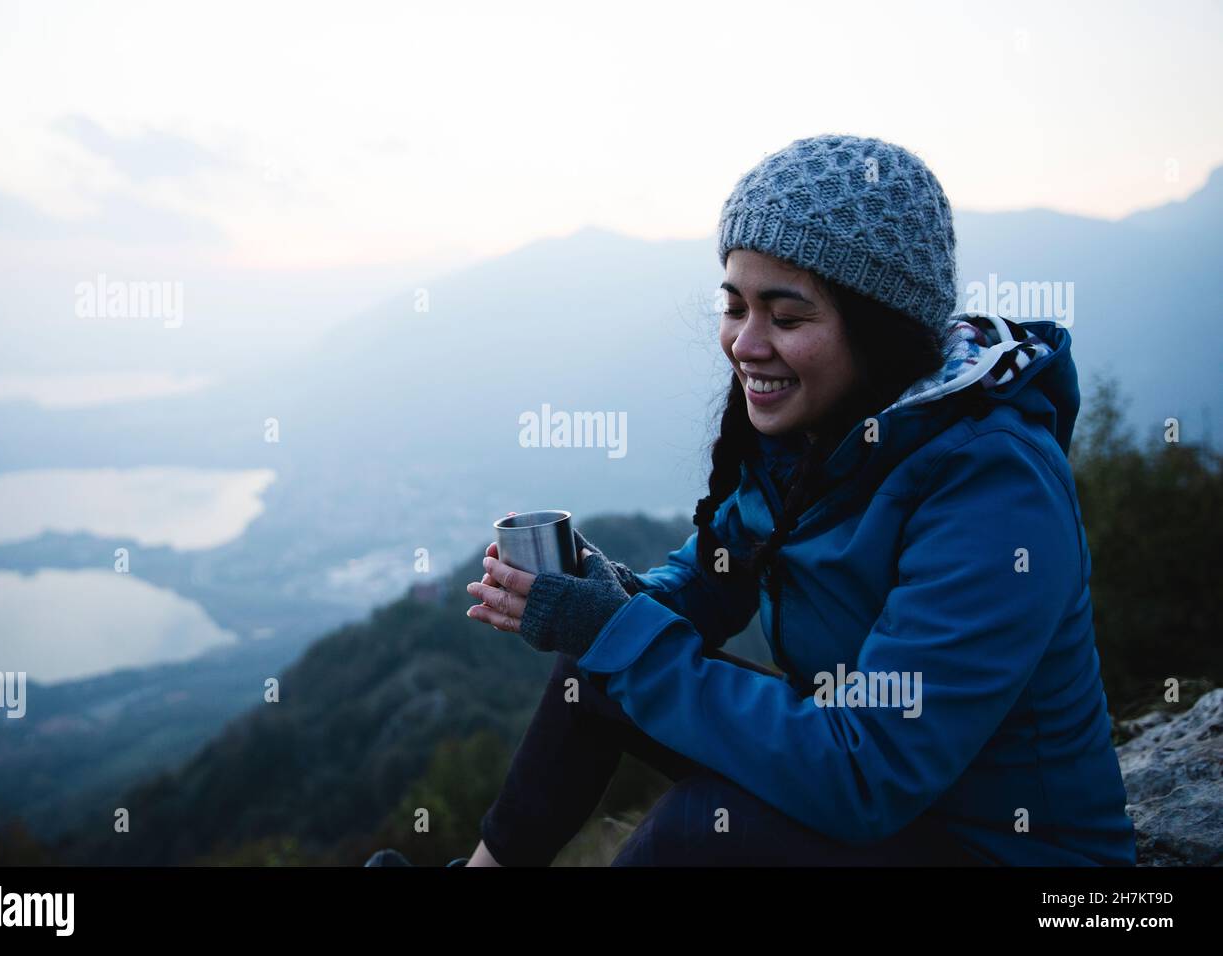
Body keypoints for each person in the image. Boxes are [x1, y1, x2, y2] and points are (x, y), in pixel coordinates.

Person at [371, 133, 1137, 867]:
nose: (744, 342)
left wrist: (619, 627)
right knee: (600, 659)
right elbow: (706, 582)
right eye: (734, 306)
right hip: (881, 812)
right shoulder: (807, 440)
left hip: (1000, 852)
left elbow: (870, 774)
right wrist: (608, 598)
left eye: (788, 314)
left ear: (881, 331)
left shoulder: (992, 487)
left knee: (702, 833)